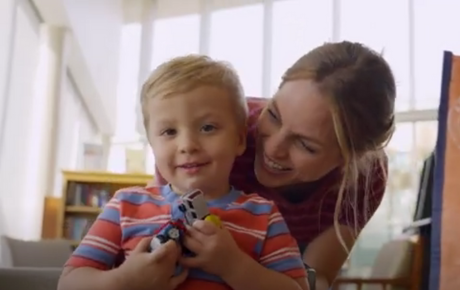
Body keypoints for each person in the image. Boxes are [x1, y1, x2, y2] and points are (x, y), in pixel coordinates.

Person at [155, 41, 396, 290]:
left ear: (348, 160)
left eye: (305, 145)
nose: (273, 149)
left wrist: (236, 267)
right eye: (273, 115)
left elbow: (314, 278)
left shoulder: (365, 177)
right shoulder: (217, 135)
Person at [58, 55, 309, 290]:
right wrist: (126, 280)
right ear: (152, 144)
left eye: (208, 127)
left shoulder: (264, 216)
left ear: (240, 139)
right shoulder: (124, 206)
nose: (187, 145)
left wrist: (234, 266)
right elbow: (68, 283)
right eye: (169, 132)